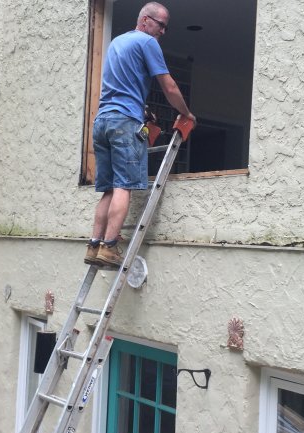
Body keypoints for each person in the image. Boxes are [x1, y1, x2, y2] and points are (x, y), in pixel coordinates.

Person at [84, 2, 196, 268]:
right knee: (123, 186)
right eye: (161, 25)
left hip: (103, 122)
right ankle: (110, 247)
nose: (163, 32)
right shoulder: (147, 42)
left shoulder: (117, 43)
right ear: (145, 20)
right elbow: (169, 87)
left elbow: (122, 86)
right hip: (124, 122)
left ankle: (94, 246)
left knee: (108, 189)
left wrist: (142, 110)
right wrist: (187, 113)